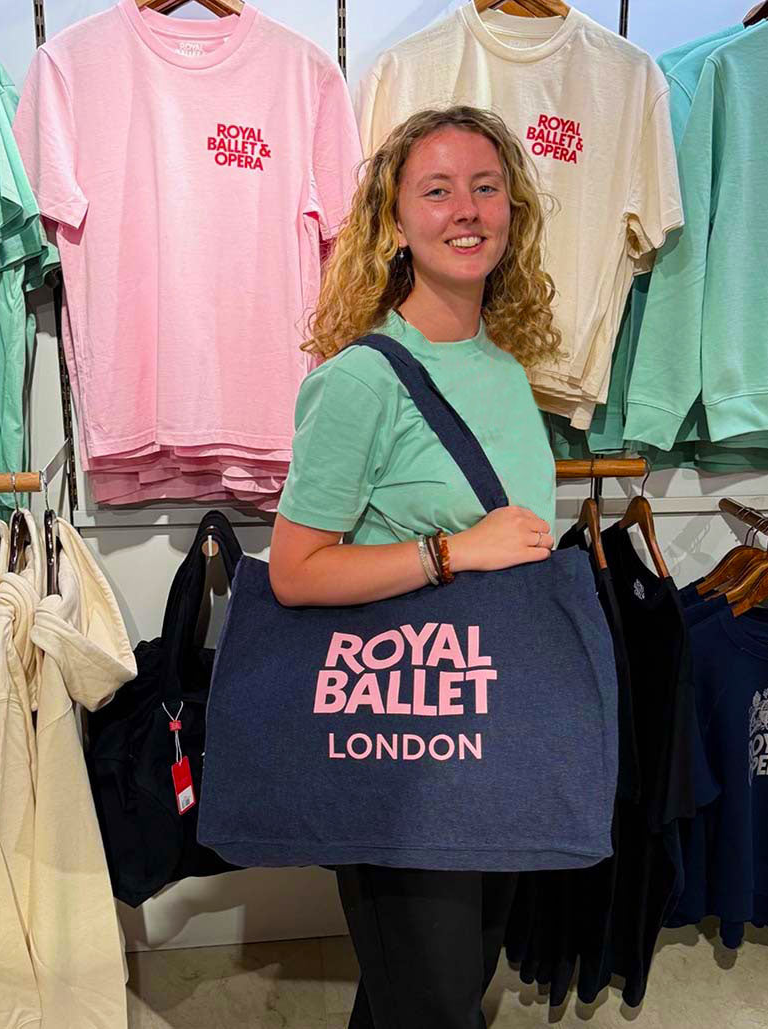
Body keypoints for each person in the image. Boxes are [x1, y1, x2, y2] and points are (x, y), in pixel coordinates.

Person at [270, 106, 561, 1029]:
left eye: (486, 187)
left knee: (440, 988)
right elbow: (295, 572)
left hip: (493, 730)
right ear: (394, 225)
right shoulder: (360, 379)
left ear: (512, 210)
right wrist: (453, 550)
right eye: (436, 191)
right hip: (404, 746)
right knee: (433, 1000)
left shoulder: (505, 369)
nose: (466, 210)